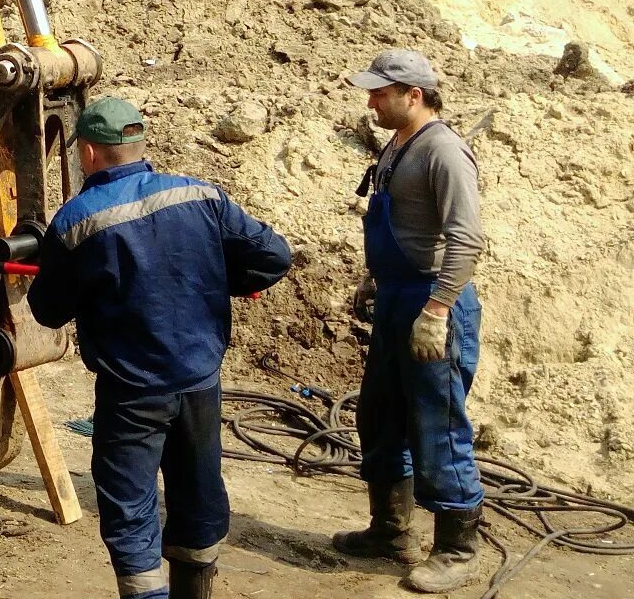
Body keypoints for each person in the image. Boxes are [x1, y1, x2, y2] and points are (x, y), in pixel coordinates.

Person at [28, 97, 293, 599]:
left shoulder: (76, 223)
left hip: (132, 392)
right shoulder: (201, 195)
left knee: (130, 505)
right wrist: (213, 280)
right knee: (198, 490)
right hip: (199, 381)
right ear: (138, 144)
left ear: (87, 152)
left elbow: (47, 312)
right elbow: (274, 256)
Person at [332, 49, 486, 593]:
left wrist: (439, 309)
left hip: (431, 302)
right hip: (397, 296)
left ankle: (458, 548)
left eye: (380, 92)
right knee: (380, 415)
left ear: (413, 95)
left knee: (438, 423)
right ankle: (391, 530)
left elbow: (466, 239)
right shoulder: (397, 147)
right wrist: (373, 281)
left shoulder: (444, 151)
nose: (371, 101)